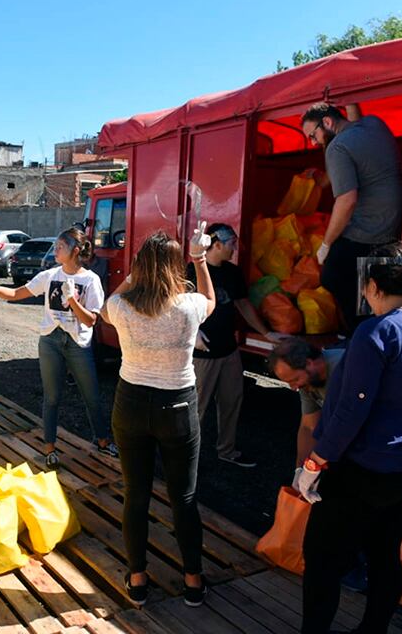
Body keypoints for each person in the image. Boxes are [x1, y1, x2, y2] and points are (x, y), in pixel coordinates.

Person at [294, 243, 402, 634]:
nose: (365, 297)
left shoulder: (378, 330)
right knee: (385, 555)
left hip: (362, 469)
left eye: (365, 289)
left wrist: (315, 462)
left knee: (323, 559)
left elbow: (352, 408)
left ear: (376, 286)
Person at [100, 227, 216, 607]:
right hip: (177, 406)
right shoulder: (188, 307)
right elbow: (210, 299)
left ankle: (137, 579)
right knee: (184, 497)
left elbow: (104, 309)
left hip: (131, 404)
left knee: (136, 494)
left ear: (139, 267)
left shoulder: (122, 307)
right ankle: (193, 580)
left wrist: (133, 276)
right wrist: (199, 259)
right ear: (174, 266)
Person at [0, 228, 117, 469]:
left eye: (60, 247)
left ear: (75, 250)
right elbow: (15, 293)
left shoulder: (90, 280)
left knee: (92, 395)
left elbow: (90, 321)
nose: (55, 250)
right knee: (51, 397)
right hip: (50, 340)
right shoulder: (50, 275)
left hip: (78, 342)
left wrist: (72, 300)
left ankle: (102, 441)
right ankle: (49, 448)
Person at [301, 103, 402, 333]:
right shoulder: (374, 124)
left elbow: (347, 200)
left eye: (313, 136)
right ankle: (374, 328)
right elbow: (356, 120)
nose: (314, 143)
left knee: (331, 275)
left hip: (367, 230)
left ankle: (359, 333)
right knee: (372, 286)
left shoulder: (337, 147)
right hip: (393, 227)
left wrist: (326, 244)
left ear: (327, 122)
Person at [186, 223, 283, 468]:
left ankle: (226, 450)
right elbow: (177, 305)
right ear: (217, 244)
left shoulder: (233, 273)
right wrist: (193, 331)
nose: (235, 249)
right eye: (231, 244)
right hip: (202, 354)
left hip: (229, 350)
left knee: (232, 401)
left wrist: (267, 333)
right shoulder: (191, 270)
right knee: (195, 407)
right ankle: (184, 458)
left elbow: (243, 305)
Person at [268, 338, 345, 473]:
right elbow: (308, 427)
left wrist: (318, 460)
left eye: (295, 380)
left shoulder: (345, 368)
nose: (293, 387)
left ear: (309, 363)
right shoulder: (309, 381)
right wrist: (300, 471)